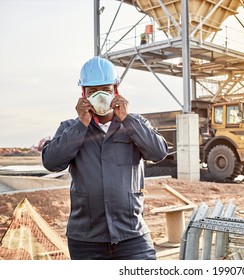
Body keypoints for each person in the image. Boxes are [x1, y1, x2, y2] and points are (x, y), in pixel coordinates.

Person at [41, 56, 168, 260]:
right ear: (83, 94)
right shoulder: (69, 128)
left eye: (106, 90)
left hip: (132, 236)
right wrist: (81, 124)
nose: (100, 96)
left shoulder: (134, 124)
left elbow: (158, 152)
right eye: (92, 92)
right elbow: (52, 162)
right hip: (86, 240)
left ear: (115, 91)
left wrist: (127, 119)